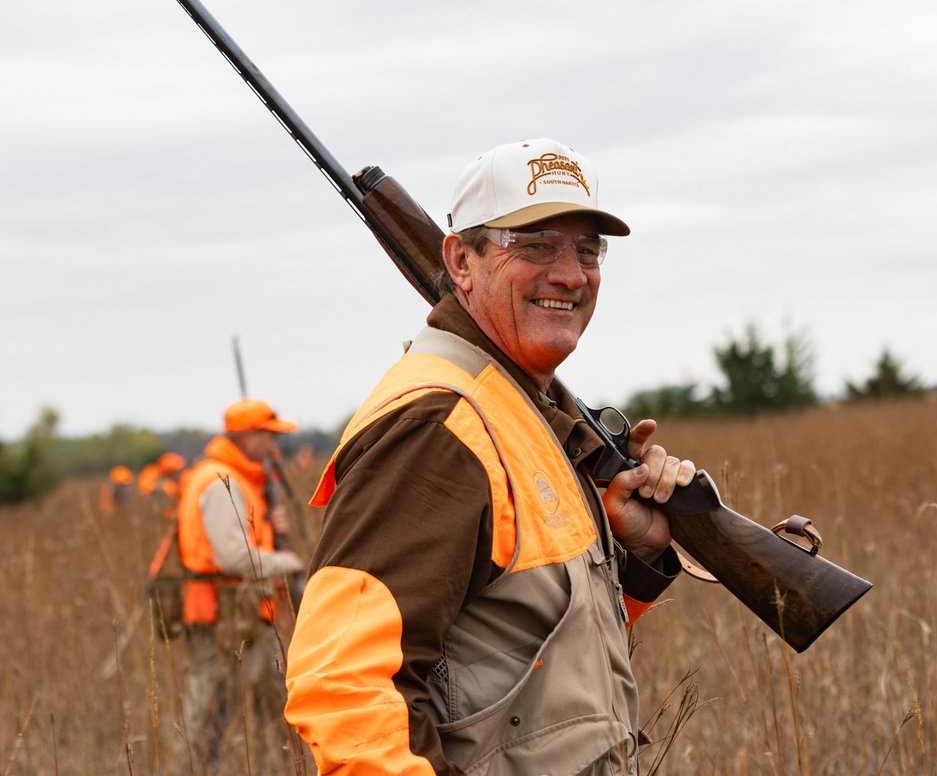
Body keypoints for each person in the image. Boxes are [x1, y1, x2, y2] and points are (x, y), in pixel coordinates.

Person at [285, 138, 696, 775]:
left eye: (588, 250)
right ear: (461, 260)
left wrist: (632, 555)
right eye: (534, 246)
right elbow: (345, 690)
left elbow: (534, 665)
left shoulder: (523, 412)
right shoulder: (438, 426)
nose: (569, 273)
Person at [176, 397, 307, 771]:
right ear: (248, 437)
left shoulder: (237, 479)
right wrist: (284, 561)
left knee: (251, 699)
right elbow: (234, 557)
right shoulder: (222, 482)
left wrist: (268, 525)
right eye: (269, 437)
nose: (274, 446)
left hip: (239, 612)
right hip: (222, 613)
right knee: (209, 706)